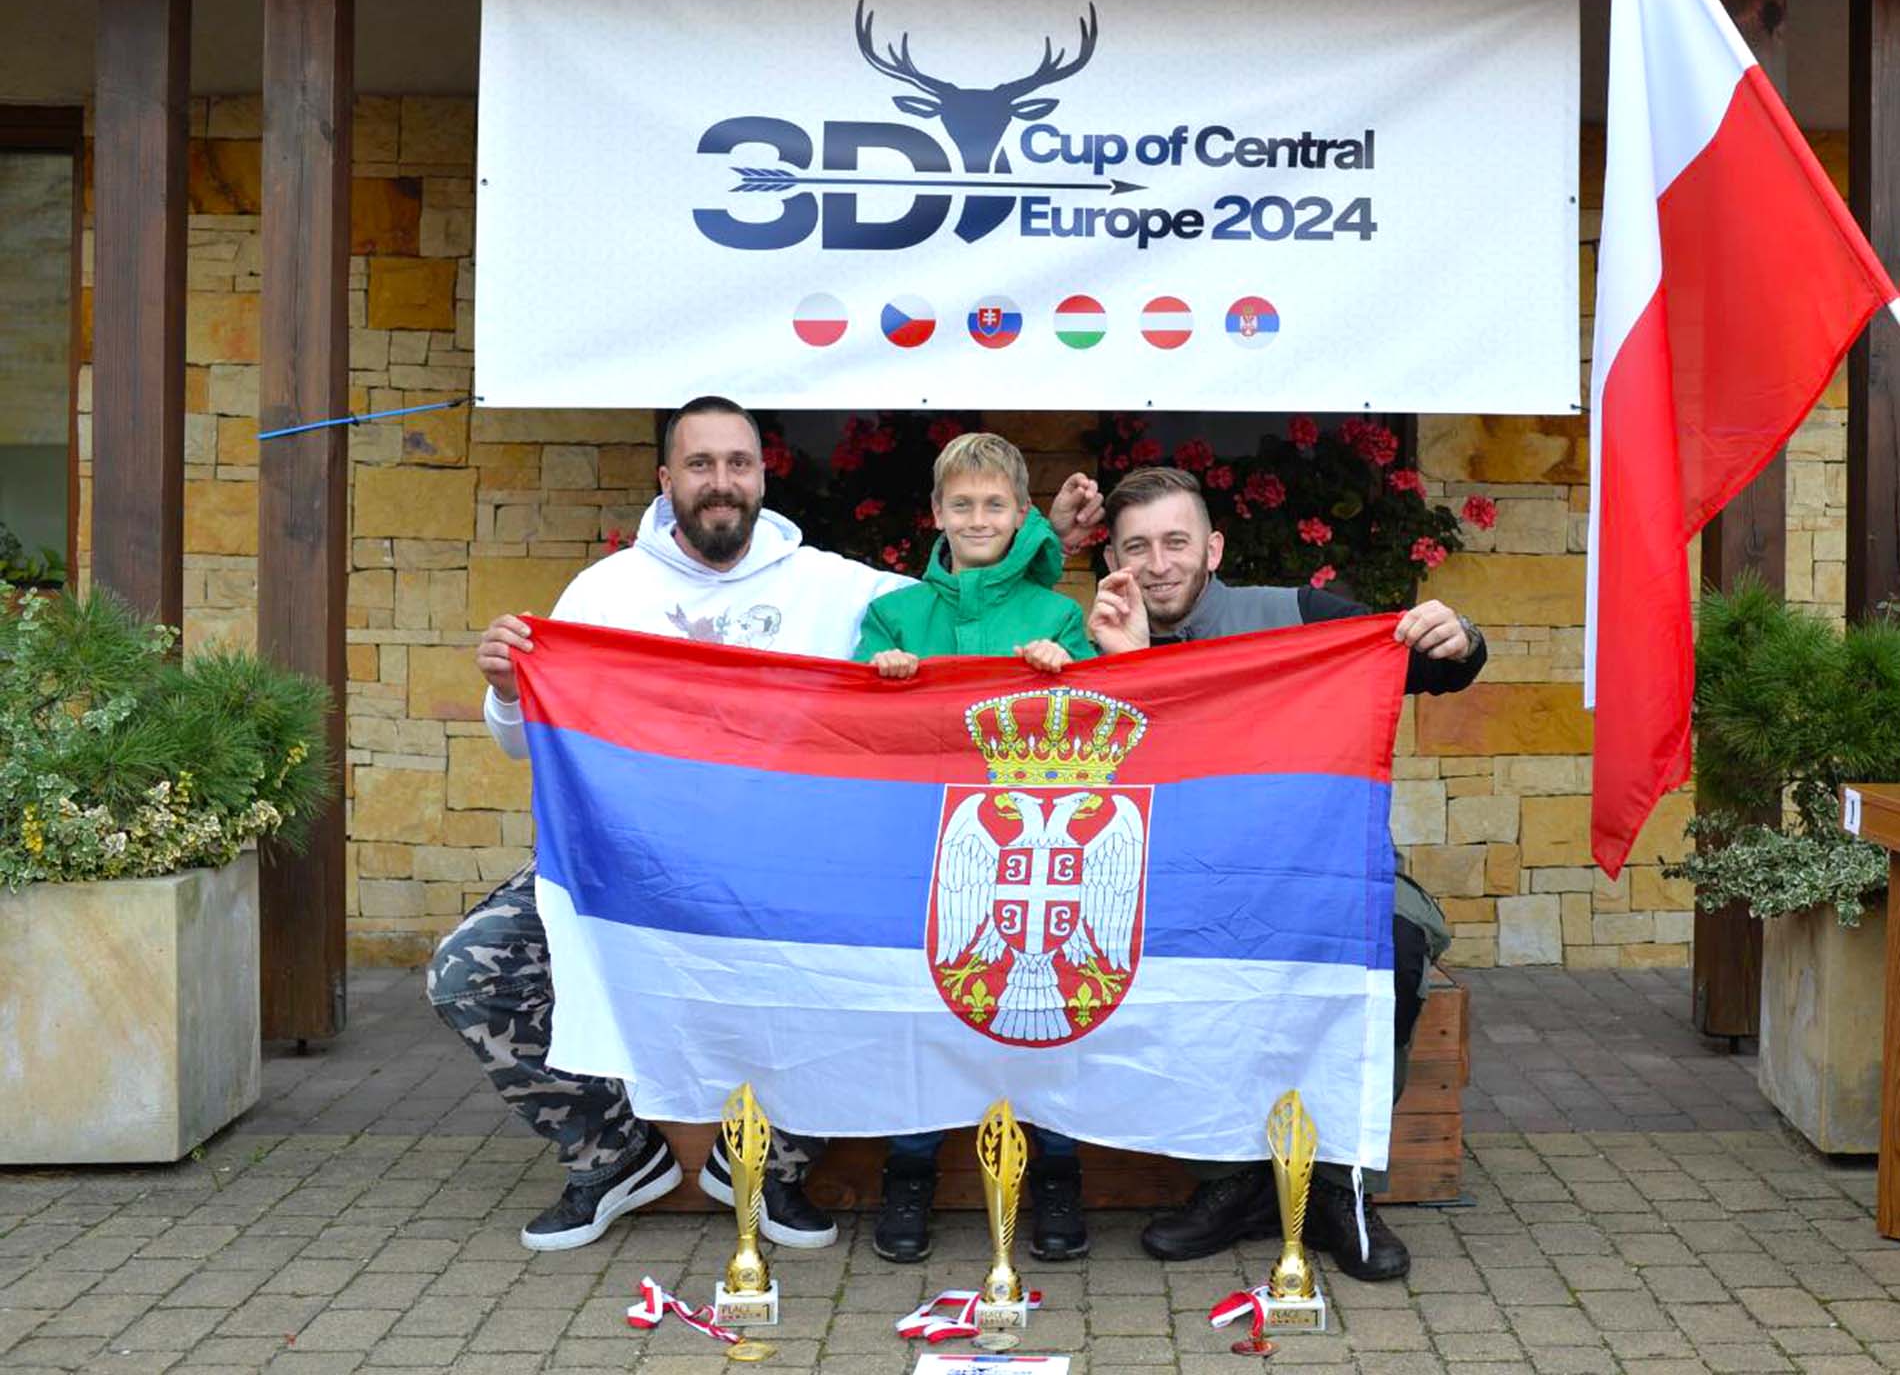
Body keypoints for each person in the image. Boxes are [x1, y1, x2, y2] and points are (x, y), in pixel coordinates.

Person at [428, 396, 1105, 1253]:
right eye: (700, 464)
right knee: (467, 973)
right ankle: (611, 1155)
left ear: (761, 476)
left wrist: (1047, 535)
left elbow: (973, 601)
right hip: (620, 862)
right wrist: (506, 690)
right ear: (666, 479)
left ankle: (773, 1163)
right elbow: (527, 742)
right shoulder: (602, 593)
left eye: (738, 464)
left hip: (780, 872)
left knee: (876, 953)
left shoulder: (834, 585)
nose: (721, 482)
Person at [1083, 465, 1482, 1281]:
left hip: (1319, 876)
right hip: (1182, 885)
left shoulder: (1298, 616)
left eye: (1176, 542)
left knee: (1396, 944)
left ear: (1213, 548)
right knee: (1168, 951)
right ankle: (1231, 1181)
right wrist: (1125, 670)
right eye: (1137, 547)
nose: (1158, 563)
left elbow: (1430, 664)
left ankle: (1339, 1187)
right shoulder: (1097, 641)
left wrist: (1459, 636)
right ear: (1113, 559)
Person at [854, 431, 1096, 1265]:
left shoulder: (1057, 615)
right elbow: (853, 724)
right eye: (962, 504)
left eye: (995, 504)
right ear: (936, 513)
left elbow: (1100, 714)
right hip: (924, 851)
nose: (979, 518)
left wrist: (1067, 668)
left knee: (1044, 1009)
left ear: (1023, 513)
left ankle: (1057, 1170)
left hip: (1032, 851)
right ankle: (910, 1169)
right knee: (924, 1012)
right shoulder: (895, 615)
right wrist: (881, 675)